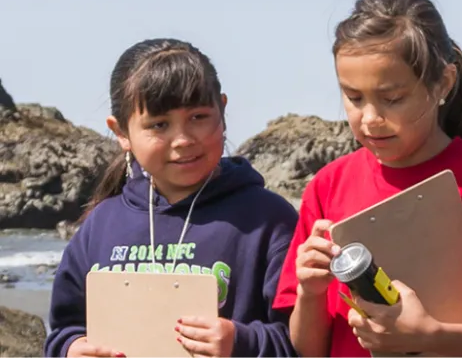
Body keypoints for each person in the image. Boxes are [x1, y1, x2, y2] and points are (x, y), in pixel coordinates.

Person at [273, 0, 462, 357]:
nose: (370, 118)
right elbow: (307, 348)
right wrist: (310, 291)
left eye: (393, 98)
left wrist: (430, 336)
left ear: (442, 84)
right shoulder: (326, 187)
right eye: (354, 98)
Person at [43, 38, 298, 358]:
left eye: (198, 117)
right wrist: (72, 349)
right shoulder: (101, 224)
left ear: (222, 109)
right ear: (122, 132)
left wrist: (241, 342)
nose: (183, 140)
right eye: (159, 125)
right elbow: (64, 330)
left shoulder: (268, 220)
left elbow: (304, 341)